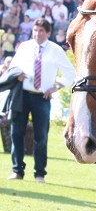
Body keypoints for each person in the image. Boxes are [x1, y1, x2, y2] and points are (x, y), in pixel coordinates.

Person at [7, 18, 75, 181]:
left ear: (48, 33)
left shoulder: (55, 50)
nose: (37, 34)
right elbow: (12, 68)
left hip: (41, 98)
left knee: (41, 136)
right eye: (35, 30)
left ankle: (39, 173)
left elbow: (70, 73)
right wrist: (18, 74)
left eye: (41, 31)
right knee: (17, 133)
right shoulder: (25, 47)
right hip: (22, 95)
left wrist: (56, 87)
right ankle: (17, 170)